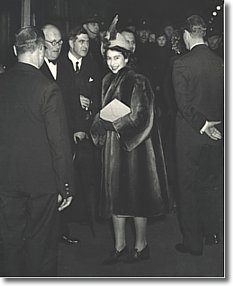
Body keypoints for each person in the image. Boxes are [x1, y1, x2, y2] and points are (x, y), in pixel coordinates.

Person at [91, 17, 169, 264]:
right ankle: (119, 246)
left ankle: (141, 245)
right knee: (115, 200)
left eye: (117, 58)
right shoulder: (106, 81)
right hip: (113, 150)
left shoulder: (138, 80)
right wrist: (98, 126)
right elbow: (102, 112)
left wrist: (113, 124)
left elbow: (144, 116)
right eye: (109, 58)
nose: (112, 63)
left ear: (126, 58)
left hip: (134, 150)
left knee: (136, 199)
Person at [0, 26, 75, 276]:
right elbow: (59, 144)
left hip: (6, 179)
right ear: (42, 50)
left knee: (9, 244)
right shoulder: (48, 89)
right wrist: (66, 186)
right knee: (41, 247)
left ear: (15, 50)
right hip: (41, 183)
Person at [172, 15, 224, 256]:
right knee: (211, 183)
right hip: (216, 134)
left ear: (186, 34)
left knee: (188, 187)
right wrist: (215, 125)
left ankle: (193, 243)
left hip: (190, 136)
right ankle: (213, 232)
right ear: (202, 33)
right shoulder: (220, 62)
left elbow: (184, 105)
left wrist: (203, 125)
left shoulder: (181, 64)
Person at [41, 24, 80, 246]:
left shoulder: (65, 66)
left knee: (63, 182)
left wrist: (76, 129)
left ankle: (61, 229)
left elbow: (72, 101)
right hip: (44, 138)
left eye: (59, 42)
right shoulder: (36, 70)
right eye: (51, 42)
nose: (56, 47)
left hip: (64, 135)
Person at [65, 25, 101, 231]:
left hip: (87, 128)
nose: (85, 45)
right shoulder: (60, 65)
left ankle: (86, 215)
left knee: (87, 172)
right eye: (80, 41)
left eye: (87, 41)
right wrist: (74, 99)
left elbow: (97, 96)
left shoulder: (92, 65)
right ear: (71, 43)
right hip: (67, 127)